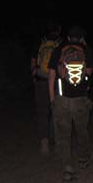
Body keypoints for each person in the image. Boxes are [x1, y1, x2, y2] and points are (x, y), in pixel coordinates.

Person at [48, 26, 93, 182]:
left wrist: (52, 99)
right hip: (80, 98)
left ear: (68, 37)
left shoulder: (58, 50)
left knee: (63, 135)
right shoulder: (86, 50)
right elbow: (88, 73)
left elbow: (52, 76)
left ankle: (67, 168)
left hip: (61, 99)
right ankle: (84, 158)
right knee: (82, 130)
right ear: (81, 37)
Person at [30, 20, 62, 155]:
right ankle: (56, 140)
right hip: (57, 82)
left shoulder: (40, 43)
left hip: (41, 80)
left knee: (42, 111)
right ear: (58, 30)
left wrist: (34, 76)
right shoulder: (61, 43)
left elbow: (33, 62)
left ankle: (44, 143)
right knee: (57, 109)